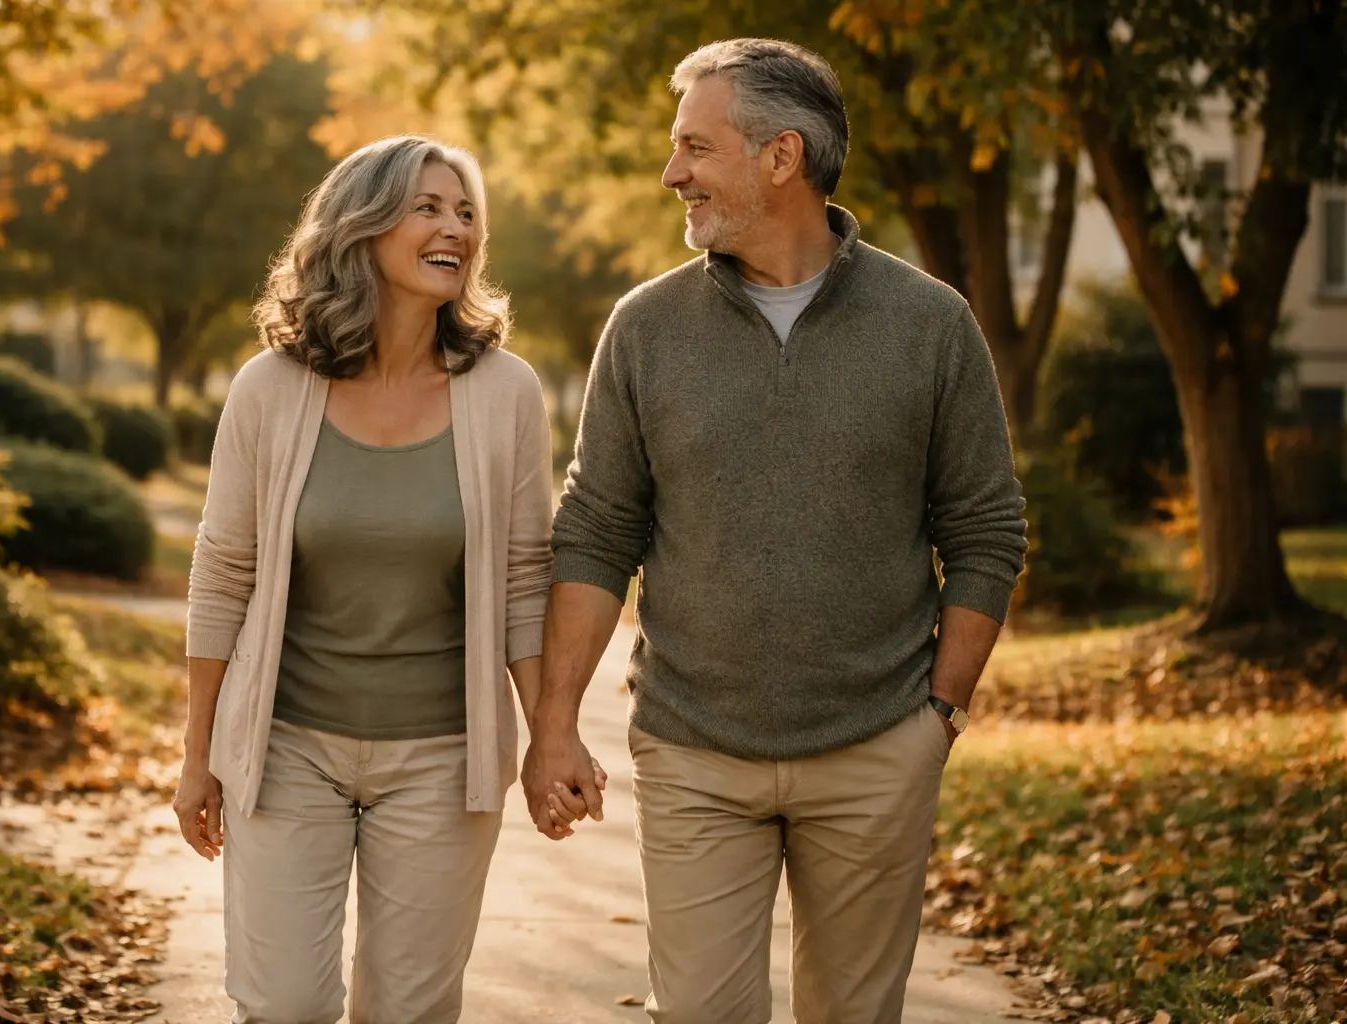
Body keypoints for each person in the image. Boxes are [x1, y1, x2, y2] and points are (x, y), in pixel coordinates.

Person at [524, 38, 1029, 1024]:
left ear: (782, 158)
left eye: (696, 149)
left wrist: (940, 719)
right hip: (695, 750)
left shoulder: (931, 325)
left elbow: (985, 528)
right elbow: (595, 531)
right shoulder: (645, 328)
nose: (674, 174)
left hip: (878, 747)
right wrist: (551, 729)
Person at [172, 134, 602, 1024]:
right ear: (363, 229)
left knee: (409, 1012)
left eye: (468, 211)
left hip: (442, 760)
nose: (457, 228)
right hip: (287, 748)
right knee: (282, 1004)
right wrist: (197, 757)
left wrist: (548, 735)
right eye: (429, 207)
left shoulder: (505, 393)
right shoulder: (269, 389)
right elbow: (223, 575)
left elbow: (527, 579)